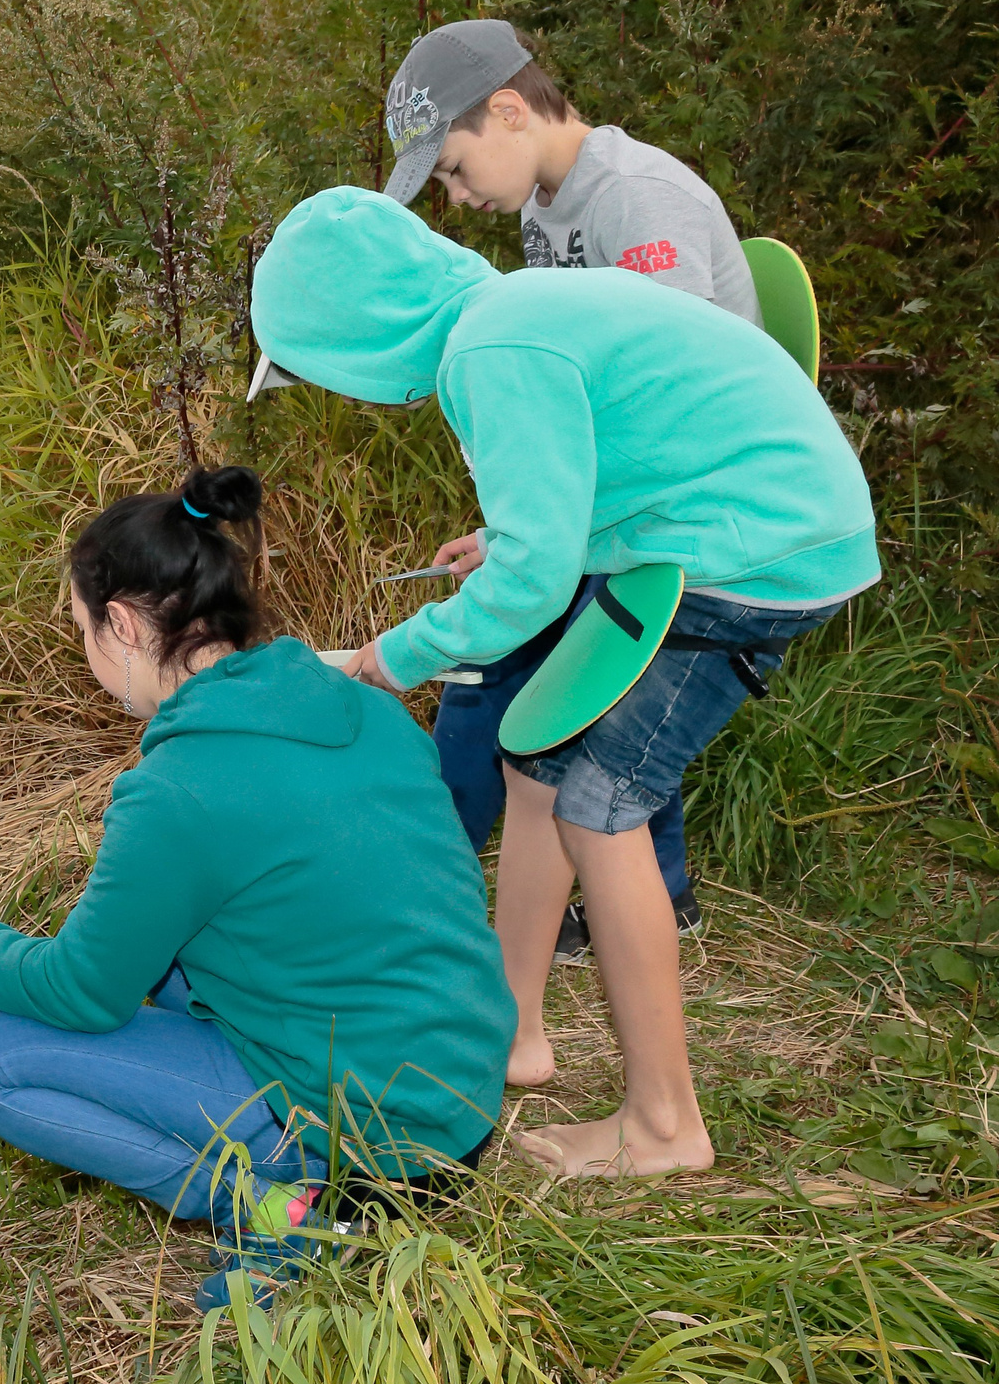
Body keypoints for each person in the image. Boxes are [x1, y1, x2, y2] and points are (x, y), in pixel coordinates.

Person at [251, 185, 878, 1177]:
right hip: (724, 526)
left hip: (757, 554)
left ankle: (664, 1127)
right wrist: (501, 542)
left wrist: (392, 657)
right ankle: (515, 1034)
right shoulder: (509, 314)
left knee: (601, 808)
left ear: (355, 336)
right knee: (531, 764)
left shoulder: (490, 353)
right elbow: (614, 463)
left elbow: (538, 585)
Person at [0, 469, 513, 1311]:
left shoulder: (181, 788)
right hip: (458, 1095)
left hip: (379, 1147)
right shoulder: (366, 709)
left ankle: (295, 1211)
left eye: (84, 632)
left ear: (125, 626)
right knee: (167, 964)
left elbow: (83, 991)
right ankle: (306, 1186)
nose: (88, 655)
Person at [382, 17, 769, 960]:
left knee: (557, 655)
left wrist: (544, 538)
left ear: (509, 112)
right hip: (629, 501)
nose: (456, 196)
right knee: (567, 649)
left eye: (456, 169)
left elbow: (657, 392)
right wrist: (508, 528)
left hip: (700, 507)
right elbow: (564, 404)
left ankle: (613, 892)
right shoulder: (545, 210)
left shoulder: (636, 198)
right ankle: (631, 891)